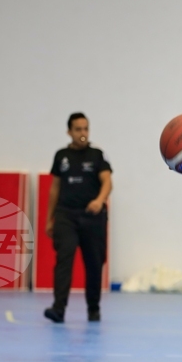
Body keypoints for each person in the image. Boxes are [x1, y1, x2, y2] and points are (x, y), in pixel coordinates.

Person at [44, 113, 113, 324]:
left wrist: (100, 200)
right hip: (66, 216)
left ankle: (93, 309)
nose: (83, 134)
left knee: (94, 264)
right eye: (78, 129)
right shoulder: (61, 156)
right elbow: (55, 188)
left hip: (92, 217)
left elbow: (107, 182)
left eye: (86, 129)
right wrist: (50, 219)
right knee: (64, 261)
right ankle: (58, 309)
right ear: (69, 132)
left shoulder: (97, 155)